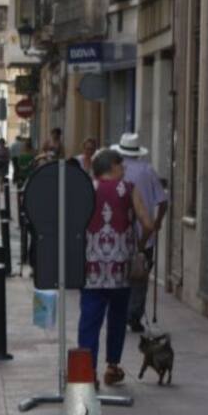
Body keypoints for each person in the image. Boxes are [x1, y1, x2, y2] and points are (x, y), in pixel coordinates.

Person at [79, 149, 157, 386]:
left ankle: (87, 371)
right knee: (117, 318)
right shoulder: (128, 189)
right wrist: (138, 245)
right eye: (122, 166)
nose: (124, 170)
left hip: (91, 267)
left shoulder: (86, 189)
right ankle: (112, 367)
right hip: (120, 269)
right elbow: (148, 223)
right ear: (112, 166)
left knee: (90, 319)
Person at [110, 133, 168, 332]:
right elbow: (163, 201)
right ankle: (134, 316)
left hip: (119, 234)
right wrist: (158, 222)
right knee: (141, 276)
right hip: (145, 233)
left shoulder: (116, 171)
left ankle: (120, 313)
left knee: (120, 277)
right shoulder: (148, 170)